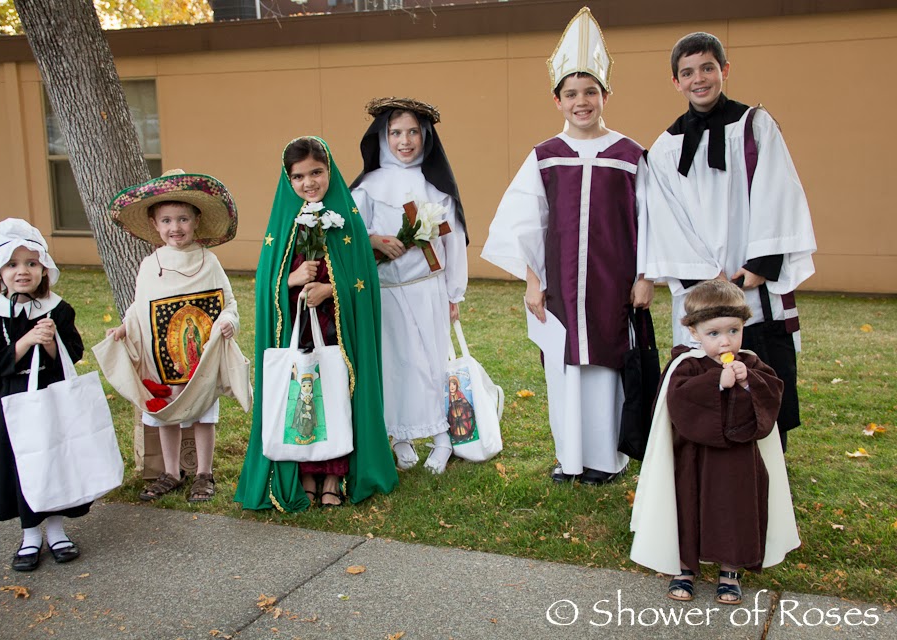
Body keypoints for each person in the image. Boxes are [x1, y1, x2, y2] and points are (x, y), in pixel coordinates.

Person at [481, 7, 653, 486]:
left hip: (612, 282)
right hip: (560, 284)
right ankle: (570, 459)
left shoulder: (630, 154)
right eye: (572, 94)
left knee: (605, 366)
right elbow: (526, 223)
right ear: (557, 100)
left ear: (605, 95)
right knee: (565, 370)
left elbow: (651, 221)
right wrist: (534, 282)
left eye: (590, 92)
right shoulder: (544, 156)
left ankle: (606, 459)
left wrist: (645, 276)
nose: (582, 102)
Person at [643, 31, 817, 451]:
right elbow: (664, 216)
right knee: (705, 369)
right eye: (687, 72)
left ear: (724, 69)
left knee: (761, 366)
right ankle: (709, 450)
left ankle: (770, 452)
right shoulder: (666, 148)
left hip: (750, 277)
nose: (698, 79)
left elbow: (778, 192)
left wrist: (759, 263)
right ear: (675, 81)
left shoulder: (754, 127)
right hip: (701, 282)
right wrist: (704, 275)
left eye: (707, 68)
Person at [235, 136, 398, 512]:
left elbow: (364, 281)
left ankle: (333, 474)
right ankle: (304, 474)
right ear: (288, 180)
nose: (309, 183)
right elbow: (265, 282)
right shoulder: (283, 221)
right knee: (302, 396)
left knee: (336, 396)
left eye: (317, 172)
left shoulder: (347, 218)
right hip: (298, 329)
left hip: (335, 330)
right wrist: (290, 281)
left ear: (329, 171)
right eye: (298, 176)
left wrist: (330, 289)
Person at [630, 280, 799, 605]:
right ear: (694, 332)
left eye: (733, 331)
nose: (725, 341)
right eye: (714, 334)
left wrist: (748, 383)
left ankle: (729, 571)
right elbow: (677, 403)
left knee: (733, 511)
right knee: (688, 508)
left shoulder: (749, 364)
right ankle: (684, 568)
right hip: (693, 460)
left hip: (738, 463)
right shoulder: (687, 365)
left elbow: (772, 395)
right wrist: (714, 383)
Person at [100, 170, 246, 503]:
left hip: (199, 357)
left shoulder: (209, 262)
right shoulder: (151, 265)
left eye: (182, 219)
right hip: (161, 356)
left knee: (202, 414)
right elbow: (140, 309)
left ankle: (204, 473)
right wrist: (124, 328)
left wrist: (226, 322)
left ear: (196, 220)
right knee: (166, 412)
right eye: (166, 220)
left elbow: (228, 303)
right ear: (154, 223)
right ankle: (170, 471)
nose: (175, 227)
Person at [349, 97, 469, 473]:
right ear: (382, 137)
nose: (405, 140)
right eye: (396, 132)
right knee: (393, 365)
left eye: (413, 132)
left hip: (426, 288)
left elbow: (454, 240)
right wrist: (375, 240)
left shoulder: (435, 186)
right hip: (384, 292)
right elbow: (351, 233)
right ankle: (400, 438)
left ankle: (441, 438)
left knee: (429, 362)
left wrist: (454, 293)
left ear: (425, 136)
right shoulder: (368, 186)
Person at [0, 218, 89, 571]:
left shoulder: (58, 309)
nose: (22, 272)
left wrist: (53, 340)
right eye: (12, 265)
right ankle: (30, 535)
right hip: (13, 401)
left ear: (44, 268)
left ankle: (56, 530)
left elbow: (74, 352)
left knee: (55, 458)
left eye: (31, 263)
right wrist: (26, 341)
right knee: (22, 462)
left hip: (51, 396)